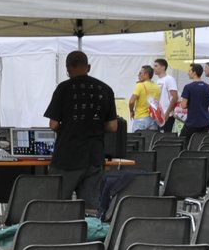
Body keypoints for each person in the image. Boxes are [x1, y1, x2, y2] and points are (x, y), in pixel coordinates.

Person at [43, 50, 119, 211]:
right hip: (94, 157)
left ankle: (59, 234)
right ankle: (89, 235)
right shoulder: (105, 89)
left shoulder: (63, 88)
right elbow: (113, 126)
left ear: (68, 68)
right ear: (88, 67)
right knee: (91, 208)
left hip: (67, 156)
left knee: (57, 205)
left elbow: (54, 124)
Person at [175, 63, 209, 146]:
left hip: (192, 122)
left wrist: (192, 104)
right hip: (205, 122)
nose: (188, 73)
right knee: (199, 144)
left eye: (189, 71)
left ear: (194, 72)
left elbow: (183, 105)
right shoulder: (208, 87)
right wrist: (208, 103)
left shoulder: (188, 87)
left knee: (182, 143)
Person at [128, 65, 161, 132]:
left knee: (137, 140)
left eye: (140, 73)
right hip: (153, 119)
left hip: (141, 118)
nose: (138, 75)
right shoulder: (157, 87)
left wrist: (131, 111)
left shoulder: (140, 85)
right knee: (150, 141)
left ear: (146, 74)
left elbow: (131, 101)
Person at [152, 58, 180, 133]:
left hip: (167, 115)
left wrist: (167, 113)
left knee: (165, 137)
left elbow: (175, 97)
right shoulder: (158, 81)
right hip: (159, 115)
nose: (154, 68)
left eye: (156, 66)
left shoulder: (169, 79)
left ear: (163, 67)